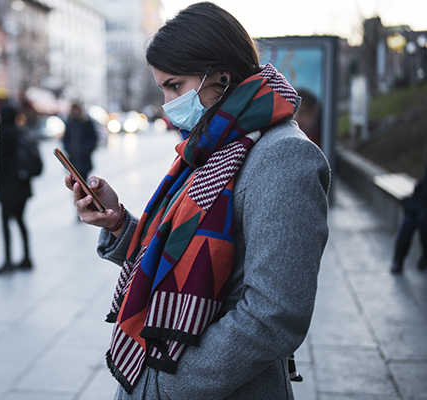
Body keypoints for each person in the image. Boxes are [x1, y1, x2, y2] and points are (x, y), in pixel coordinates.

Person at [63, 2, 330, 399]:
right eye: (163, 89)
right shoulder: (213, 145)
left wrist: (165, 382)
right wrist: (118, 222)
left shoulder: (283, 157)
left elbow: (274, 316)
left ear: (221, 78)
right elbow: (184, 254)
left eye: (175, 85)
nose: (169, 104)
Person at [0, 105, 33, 274]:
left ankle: (8, 260)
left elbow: (1, 162)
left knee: (5, 222)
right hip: (23, 185)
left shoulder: (4, 133)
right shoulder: (20, 132)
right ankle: (27, 257)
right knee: (20, 220)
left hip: (9, 186)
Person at [390, 163, 427, 273]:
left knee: (422, 220)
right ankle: (398, 261)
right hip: (418, 200)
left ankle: (425, 254)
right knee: (407, 224)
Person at [62, 103, 98, 182]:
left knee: (84, 182)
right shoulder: (69, 124)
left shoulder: (86, 123)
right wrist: (69, 150)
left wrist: (85, 150)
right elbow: (65, 139)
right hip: (73, 160)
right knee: (75, 184)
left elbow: (93, 139)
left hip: (84, 160)